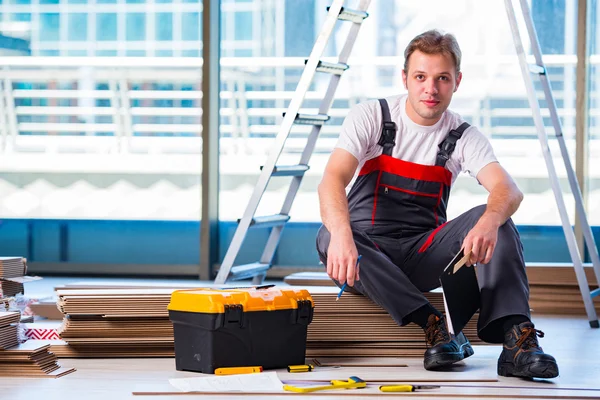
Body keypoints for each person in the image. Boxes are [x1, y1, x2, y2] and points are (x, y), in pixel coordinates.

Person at [316, 29, 558, 379]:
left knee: (498, 217)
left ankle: (516, 342)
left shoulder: (462, 135)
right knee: (327, 234)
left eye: (442, 78)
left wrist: (489, 221)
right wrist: (341, 235)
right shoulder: (372, 116)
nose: (431, 89)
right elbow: (331, 180)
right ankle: (432, 322)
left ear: (457, 81)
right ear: (405, 78)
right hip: (367, 256)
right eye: (421, 77)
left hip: (424, 253)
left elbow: (509, 190)